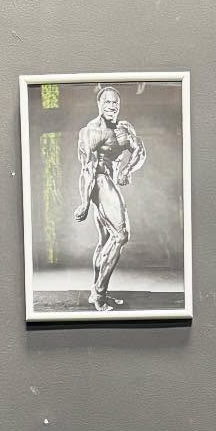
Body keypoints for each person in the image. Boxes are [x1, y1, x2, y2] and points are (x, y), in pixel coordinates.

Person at [73, 86, 146, 312]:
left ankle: (95, 292)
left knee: (106, 240)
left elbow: (140, 151)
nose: (112, 106)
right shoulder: (91, 132)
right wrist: (85, 202)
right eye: (107, 102)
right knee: (121, 234)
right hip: (99, 181)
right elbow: (87, 168)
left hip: (111, 182)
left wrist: (127, 170)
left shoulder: (125, 128)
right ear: (99, 104)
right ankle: (100, 294)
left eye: (115, 103)